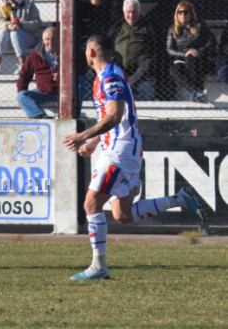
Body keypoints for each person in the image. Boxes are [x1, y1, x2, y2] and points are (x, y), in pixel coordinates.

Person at [63, 34, 208, 281]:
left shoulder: (110, 76)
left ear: (91, 52)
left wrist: (82, 135)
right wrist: (93, 141)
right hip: (118, 148)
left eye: (85, 48)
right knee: (122, 215)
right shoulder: (103, 77)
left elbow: (115, 116)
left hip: (120, 150)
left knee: (91, 204)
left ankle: (99, 267)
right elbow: (113, 117)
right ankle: (179, 198)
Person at [166, 0, 217, 103]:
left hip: (200, 60)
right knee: (173, 71)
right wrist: (184, 53)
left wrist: (198, 51)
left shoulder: (199, 25)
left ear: (191, 13)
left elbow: (211, 41)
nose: (183, 15)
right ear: (177, 14)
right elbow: (169, 49)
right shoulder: (172, 29)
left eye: (186, 12)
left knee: (191, 58)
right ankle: (197, 91)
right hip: (181, 60)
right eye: (180, 12)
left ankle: (197, 92)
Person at [107, 0, 158, 100]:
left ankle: (127, 86)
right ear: (123, 12)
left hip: (140, 62)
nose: (131, 15)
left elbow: (155, 45)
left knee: (148, 63)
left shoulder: (147, 27)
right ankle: (128, 89)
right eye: (128, 12)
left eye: (134, 12)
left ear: (139, 12)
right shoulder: (118, 26)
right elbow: (108, 41)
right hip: (119, 62)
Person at [0, 0, 42, 75]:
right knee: (1, 33)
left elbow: (37, 22)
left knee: (15, 33)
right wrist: (9, 25)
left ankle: (23, 66)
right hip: (6, 39)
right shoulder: (0, 4)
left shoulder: (28, 2)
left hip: (27, 37)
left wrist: (22, 25)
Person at [16, 27, 58, 119]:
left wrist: (63, 76)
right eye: (47, 39)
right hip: (43, 93)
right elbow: (24, 75)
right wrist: (21, 95)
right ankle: (42, 117)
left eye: (54, 39)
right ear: (43, 40)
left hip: (63, 93)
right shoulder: (35, 55)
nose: (50, 42)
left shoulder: (67, 52)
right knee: (21, 96)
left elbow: (79, 72)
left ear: (59, 39)